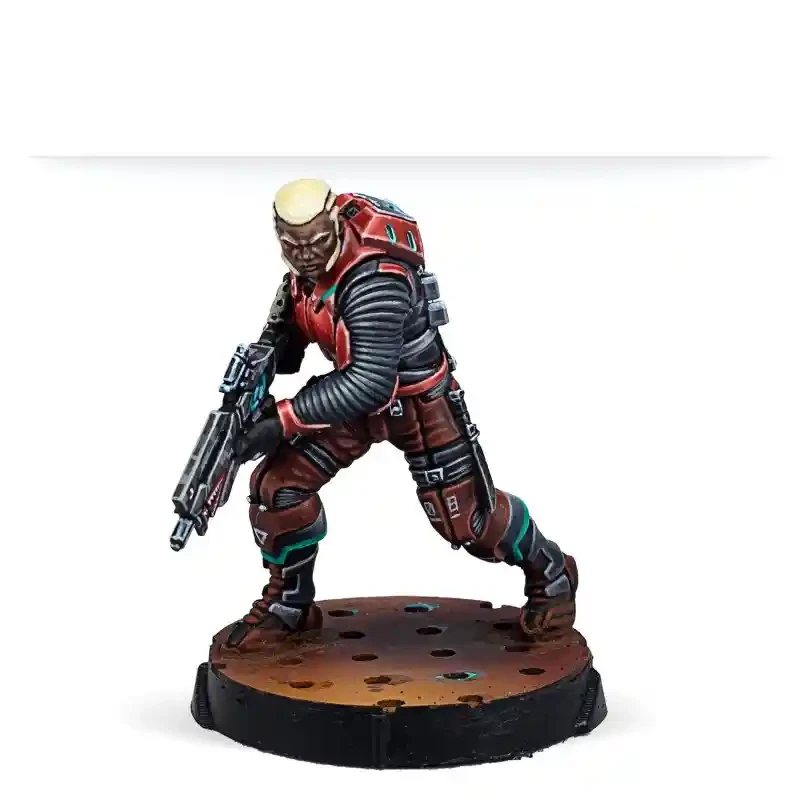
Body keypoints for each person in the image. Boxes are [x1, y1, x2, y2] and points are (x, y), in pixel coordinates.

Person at [225, 178, 578, 650]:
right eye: (293, 246)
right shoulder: (300, 277)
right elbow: (286, 344)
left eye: (316, 243)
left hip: (415, 401)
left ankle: (550, 570)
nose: (305, 255)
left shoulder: (375, 279)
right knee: (278, 487)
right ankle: (290, 605)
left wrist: (282, 421)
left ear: (336, 225)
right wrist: (258, 376)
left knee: (467, 521)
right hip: (354, 403)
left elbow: (371, 381)